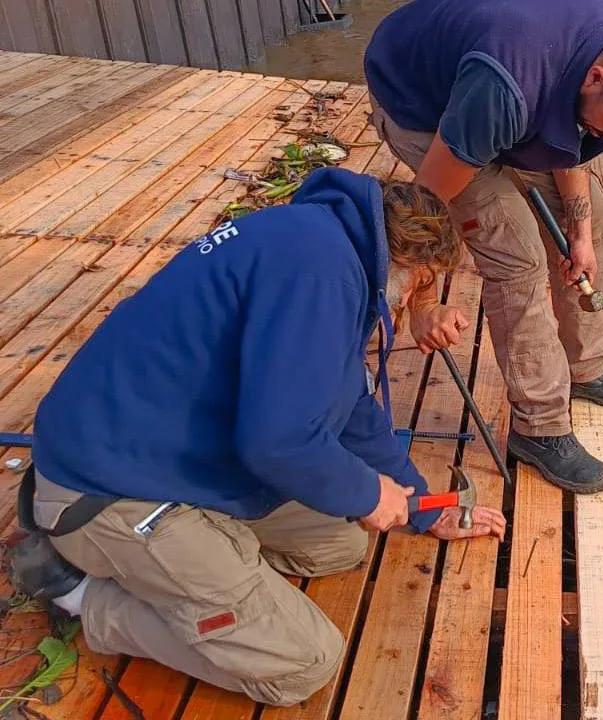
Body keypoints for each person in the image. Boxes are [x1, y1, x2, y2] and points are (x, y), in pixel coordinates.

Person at [7, 167, 505, 706]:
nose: (411, 302)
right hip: (104, 492)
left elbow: (350, 405)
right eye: (423, 283)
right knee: (302, 663)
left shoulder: (324, 242)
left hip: (174, 457)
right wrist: (366, 492)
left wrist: (423, 506)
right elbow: (278, 442)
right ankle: (78, 594)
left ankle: (206, 564)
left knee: (339, 542)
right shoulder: (323, 273)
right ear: (409, 264)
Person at [363, 0, 603, 495]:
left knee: (598, 220)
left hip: (501, 90)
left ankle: (583, 371)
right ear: (597, 78)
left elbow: (573, 144)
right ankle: (538, 427)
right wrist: (422, 298)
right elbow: (425, 207)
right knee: (516, 256)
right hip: (420, 103)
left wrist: (579, 233)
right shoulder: (506, 86)